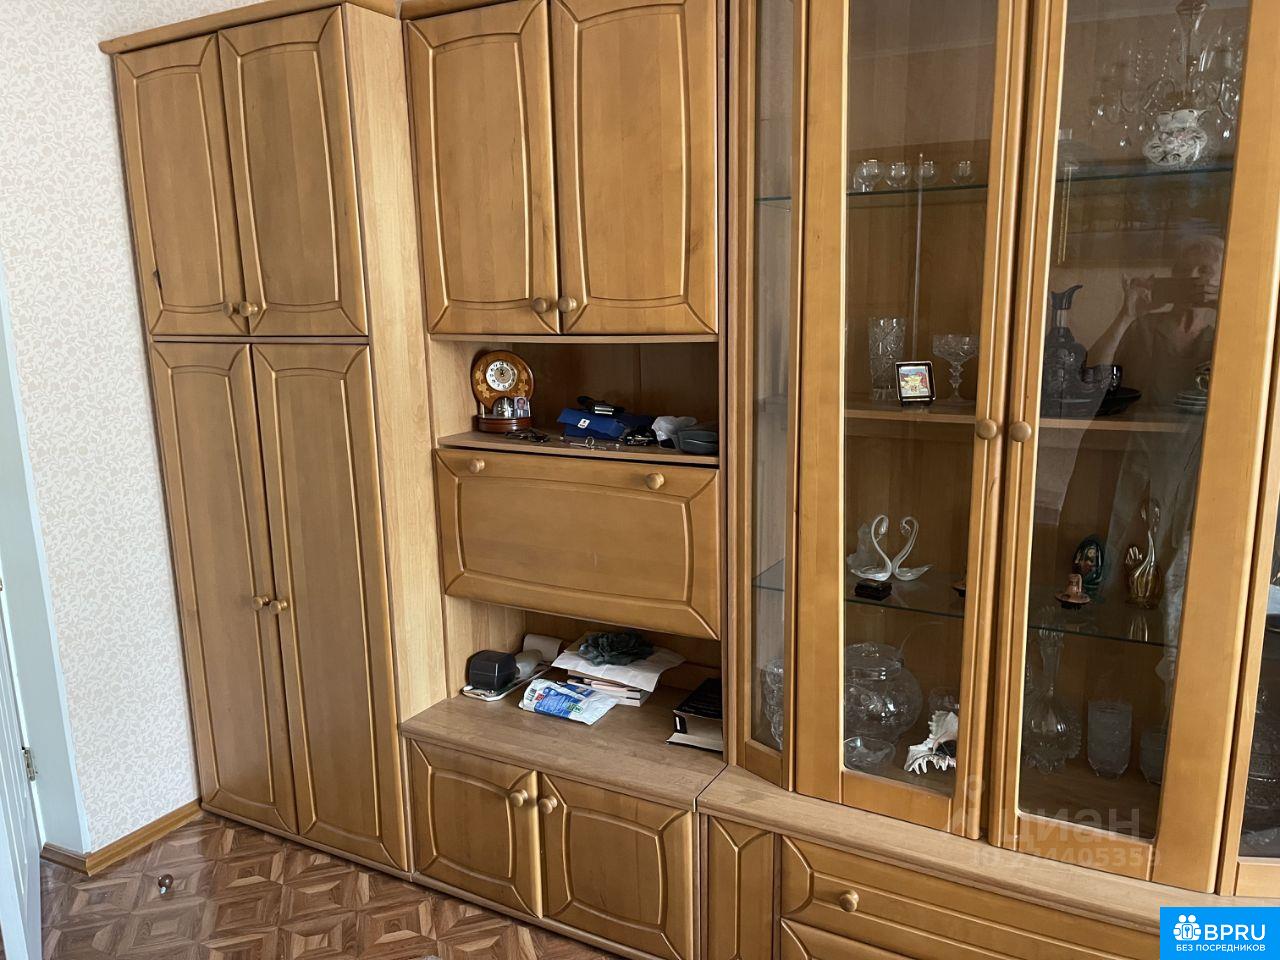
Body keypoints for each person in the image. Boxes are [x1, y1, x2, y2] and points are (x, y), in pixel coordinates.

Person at [1086, 234, 1223, 406]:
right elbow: (1090, 378)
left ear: (1222, 281)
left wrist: (1224, 309)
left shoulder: (1221, 339)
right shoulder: (1142, 327)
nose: (1191, 275)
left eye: (1204, 270)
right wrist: (1127, 315)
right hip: (1136, 423)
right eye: (1183, 269)